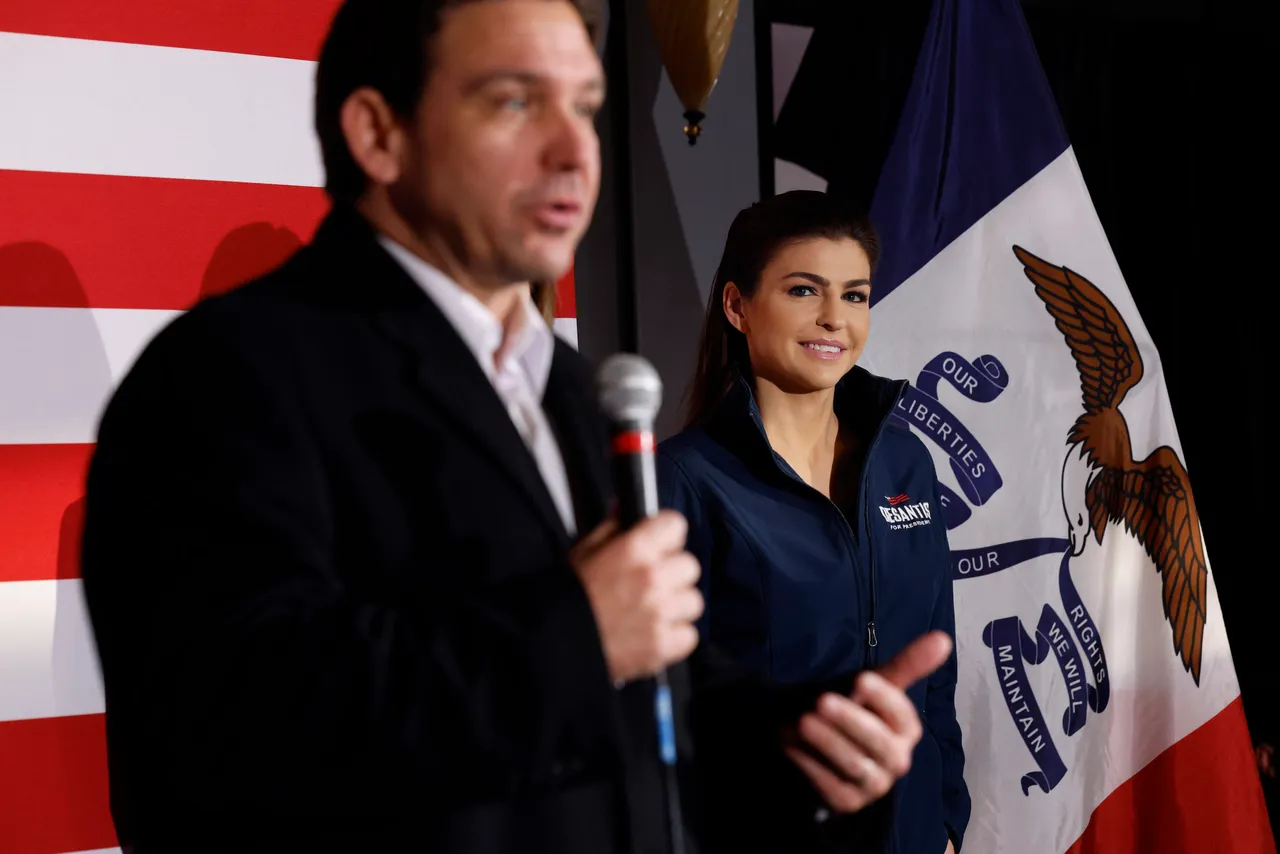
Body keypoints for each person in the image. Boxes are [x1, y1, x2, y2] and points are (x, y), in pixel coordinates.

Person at [80, 1, 944, 850]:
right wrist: (575, 634)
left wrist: (802, 744)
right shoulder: (226, 378)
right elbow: (219, 738)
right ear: (380, 134)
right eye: (515, 102)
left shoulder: (572, 393)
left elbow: (649, 708)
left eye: (584, 107)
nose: (575, 151)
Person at [659, 190, 971, 853]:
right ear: (738, 306)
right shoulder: (684, 481)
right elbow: (678, 714)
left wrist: (946, 819)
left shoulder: (905, 459)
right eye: (805, 291)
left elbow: (935, 667)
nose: (835, 318)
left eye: (855, 295)